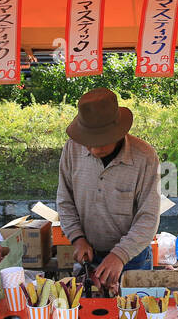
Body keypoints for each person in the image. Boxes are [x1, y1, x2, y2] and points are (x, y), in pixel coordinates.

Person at [57, 87, 160, 289]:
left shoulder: (145, 157)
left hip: (133, 258)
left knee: (135, 317)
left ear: (119, 132)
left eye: (101, 142)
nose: (94, 149)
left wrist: (119, 255)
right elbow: (65, 201)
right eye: (88, 143)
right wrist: (77, 238)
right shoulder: (72, 148)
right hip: (89, 254)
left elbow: (148, 217)